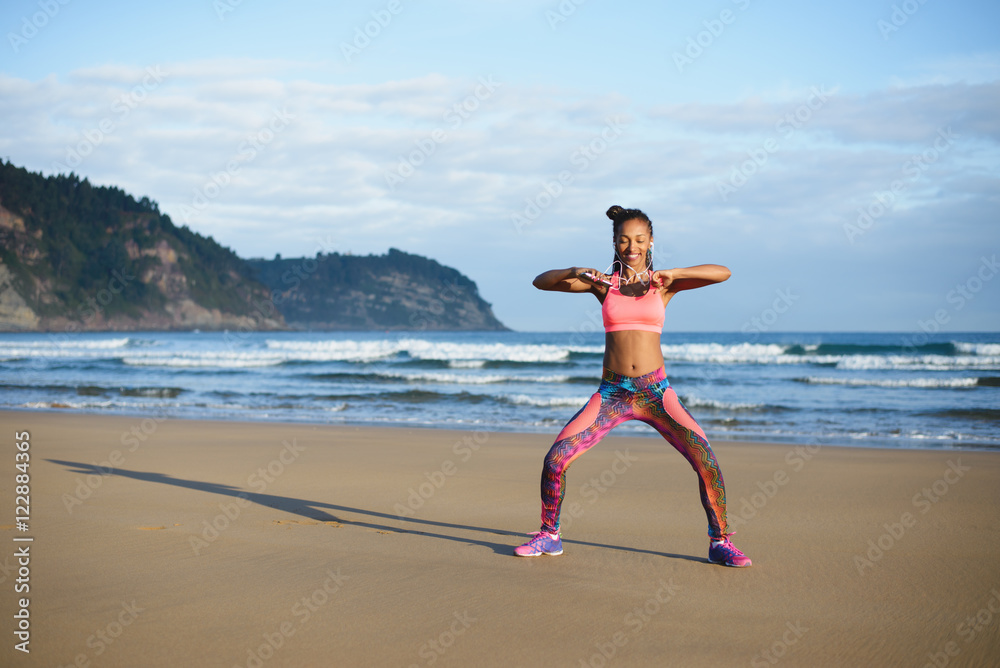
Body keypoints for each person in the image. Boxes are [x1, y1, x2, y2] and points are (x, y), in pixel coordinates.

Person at [513, 205, 751, 567]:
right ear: (614, 242)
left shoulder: (665, 284)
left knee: (706, 460)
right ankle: (550, 535)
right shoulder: (604, 284)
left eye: (639, 239)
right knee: (556, 459)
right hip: (613, 393)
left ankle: (719, 542)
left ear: (651, 241)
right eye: (624, 240)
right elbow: (541, 281)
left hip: (655, 392)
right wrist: (575, 271)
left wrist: (674, 273)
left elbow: (724, 273)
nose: (631, 246)